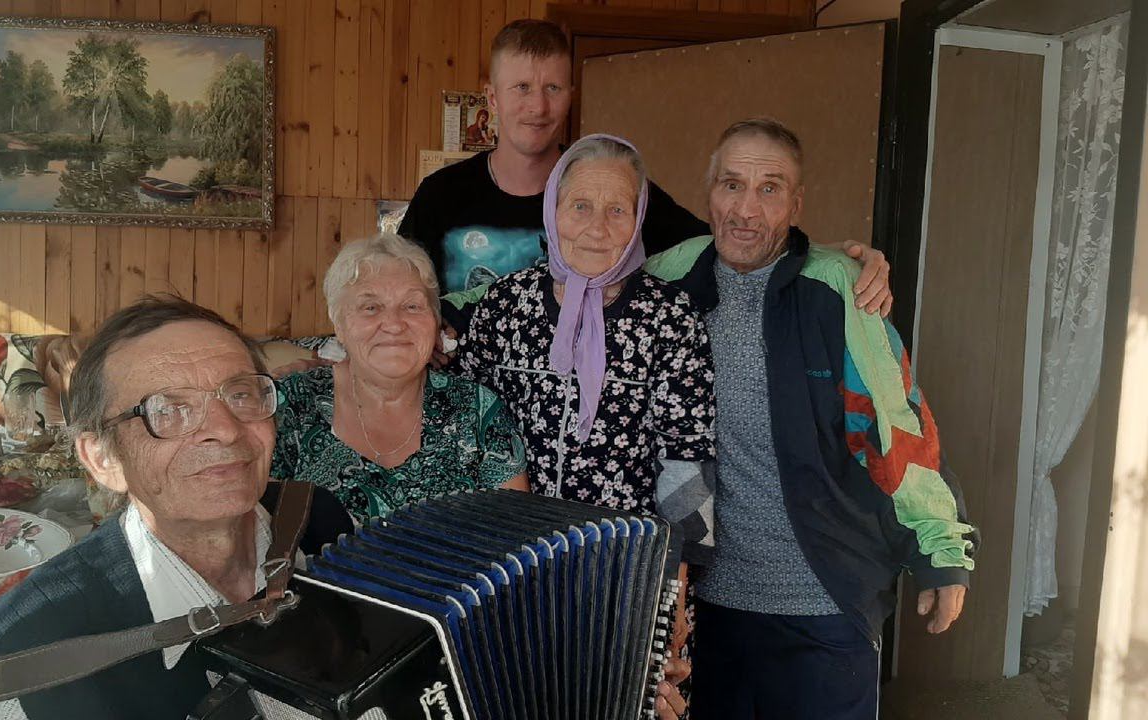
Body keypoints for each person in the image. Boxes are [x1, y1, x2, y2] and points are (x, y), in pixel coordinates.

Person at [643, 118, 978, 719]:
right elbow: (557, 295)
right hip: (703, 606)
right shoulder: (665, 279)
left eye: (769, 189)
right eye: (731, 185)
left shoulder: (840, 287)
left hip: (822, 601)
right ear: (708, 193)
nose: (746, 209)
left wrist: (941, 551)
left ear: (797, 204)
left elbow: (897, 426)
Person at [0, 297, 351, 720]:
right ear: (103, 459)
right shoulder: (29, 655)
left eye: (240, 394)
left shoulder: (318, 519)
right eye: (169, 409)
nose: (224, 429)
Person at [399, 19, 894, 324]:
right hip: (467, 410)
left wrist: (833, 259)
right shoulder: (441, 194)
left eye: (553, 88)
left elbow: (731, 246)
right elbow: (398, 285)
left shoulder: (617, 189)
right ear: (491, 97)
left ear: (570, 96)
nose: (538, 106)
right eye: (521, 87)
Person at [456, 134, 712, 720]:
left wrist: (673, 590)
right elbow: (468, 430)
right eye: (580, 206)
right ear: (553, 210)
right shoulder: (504, 307)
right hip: (511, 573)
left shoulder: (670, 319)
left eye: (617, 209)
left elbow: (688, 459)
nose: (597, 227)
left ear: (639, 218)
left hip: (630, 576)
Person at [270, 233, 529, 524]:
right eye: (371, 307)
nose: (393, 324)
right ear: (339, 325)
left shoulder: (477, 410)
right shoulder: (289, 405)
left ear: (435, 320)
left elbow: (513, 531)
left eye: (412, 306)